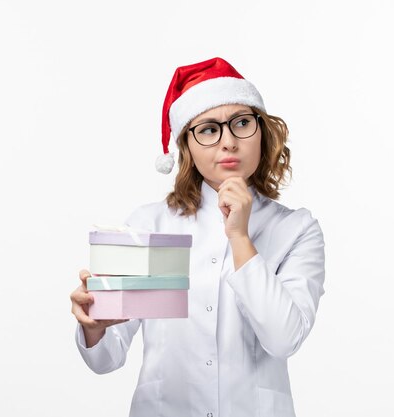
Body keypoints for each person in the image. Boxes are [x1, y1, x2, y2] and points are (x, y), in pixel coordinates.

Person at [70, 57, 326, 417]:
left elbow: (283, 339)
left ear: (262, 131)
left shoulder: (296, 230)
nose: (229, 143)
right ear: (186, 145)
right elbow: (106, 358)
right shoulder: (149, 224)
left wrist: (239, 236)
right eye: (208, 129)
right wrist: (94, 328)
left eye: (241, 123)